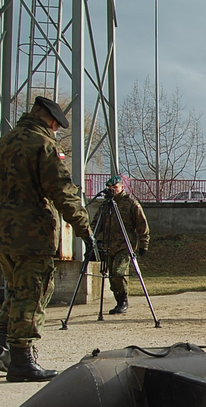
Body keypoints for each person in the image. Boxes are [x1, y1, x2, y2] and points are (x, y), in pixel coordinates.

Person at [0, 96, 94, 381]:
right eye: (56, 126)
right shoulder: (43, 146)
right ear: (51, 121)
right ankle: (21, 360)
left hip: (4, 234)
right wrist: (85, 230)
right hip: (31, 234)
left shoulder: (4, 143)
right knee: (33, 291)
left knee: (15, 290)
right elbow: (62, 192)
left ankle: (3, 346)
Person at [93, 174, 150, 315]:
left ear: (122, 187)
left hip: (125, 246)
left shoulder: (130, 203)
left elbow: (142, 225)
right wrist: (91, 239)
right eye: (110, 188)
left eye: (115, 187)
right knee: (112, 275)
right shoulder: (105, 205)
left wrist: (144, 244)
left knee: (119, 272)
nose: (113, 190)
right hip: (108, 245)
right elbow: (96, 224)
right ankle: (119, 300)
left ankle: (123, 300)